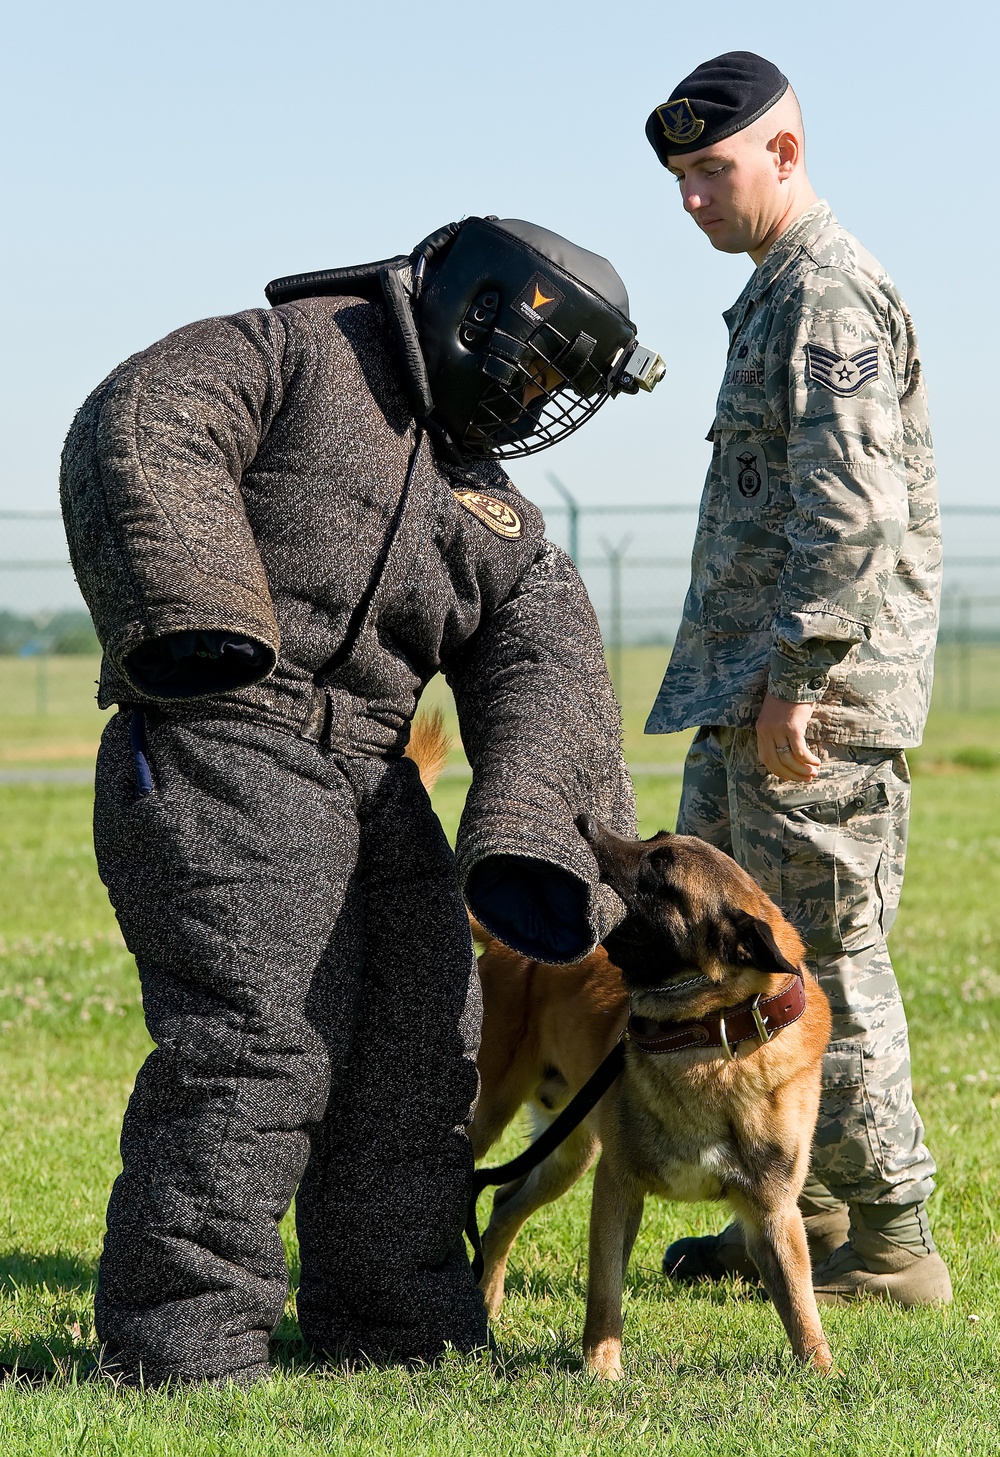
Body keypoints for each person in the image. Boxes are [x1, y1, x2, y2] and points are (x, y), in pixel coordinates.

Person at [60, 215, 664, 1385]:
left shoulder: (489, 508)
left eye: (561, 382)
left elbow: (546, 656)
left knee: (419, 1056)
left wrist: (534, 834)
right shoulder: (294, 349)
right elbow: (144, 416)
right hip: (224, 728)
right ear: (480, 312)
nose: (539, 394)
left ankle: (399, 1334)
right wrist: (196, 611)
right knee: (256, 1047)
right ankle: (182, 1350)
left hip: (378, 776)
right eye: (539, 362)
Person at [643, 53, 950, 1305]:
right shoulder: (774, 291)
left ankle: (891, 1241)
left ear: (783, 149)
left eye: (711, 170)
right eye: (677, 178)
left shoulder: (825, 294)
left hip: (805, 709)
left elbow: (852, 511)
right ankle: (803, 1208)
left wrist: (799, 679)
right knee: (737, 966)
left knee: (823, 955)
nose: (692, 199)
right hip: (748, 695)